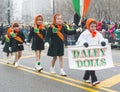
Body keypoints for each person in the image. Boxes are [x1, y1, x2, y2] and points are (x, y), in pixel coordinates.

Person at [76, 18, 108, 86]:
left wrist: (102, 42)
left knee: (91, 64)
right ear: (88, 26)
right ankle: (94, 79)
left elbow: (101, 39)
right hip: (87, 52)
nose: (93, 28)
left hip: (94, 52)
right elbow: (80, 40)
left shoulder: (97, 33)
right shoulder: (84, 34)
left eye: (95, 26)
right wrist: (84, 43)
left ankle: (86, 77)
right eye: (92, 26)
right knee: (91, 65)